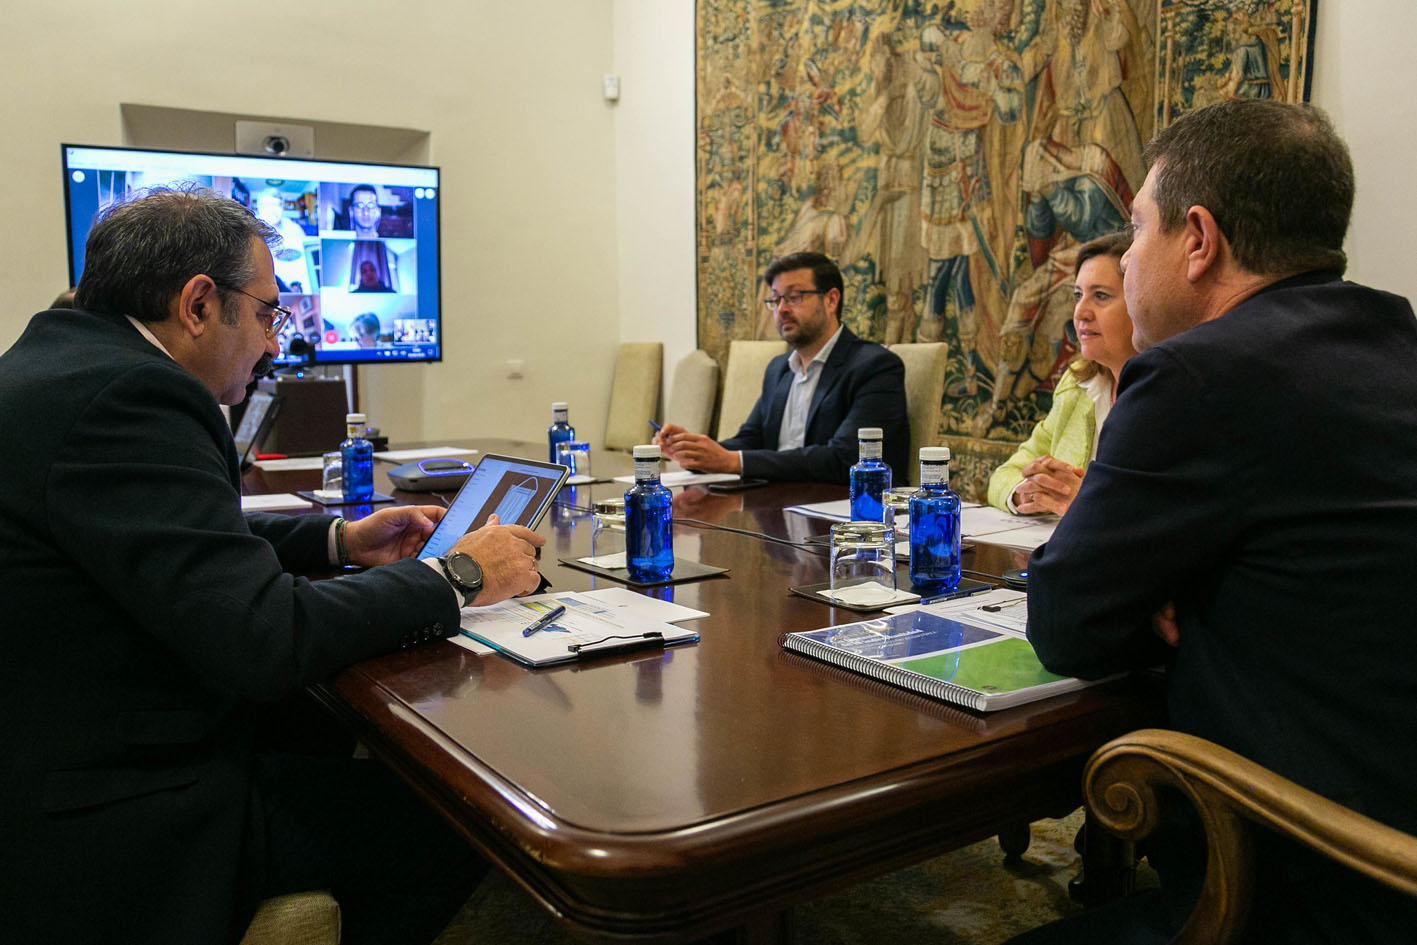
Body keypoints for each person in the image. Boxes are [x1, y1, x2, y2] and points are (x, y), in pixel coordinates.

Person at [0, 186, 547, 945]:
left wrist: (340, 543)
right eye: (267, 313)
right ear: (197, 303)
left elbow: (170, 545)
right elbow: (261, 639)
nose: (274, 342)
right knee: (454, 816)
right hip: (107, 808)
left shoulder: (66, 358)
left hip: (66, 737)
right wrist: (455, 577)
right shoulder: (131, 394)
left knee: (328, 724)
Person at [1017, 100, 1417, 944]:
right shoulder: (1395, 340)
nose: (1125, 263)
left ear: (1197, 239)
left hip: (1322, 878)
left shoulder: (1193, 377)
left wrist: (1181, 597)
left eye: (1133, 233)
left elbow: (1066, 624)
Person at [655, 251, 910, 483]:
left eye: (794, 297)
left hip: (846, 515)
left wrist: (732, 462)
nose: (782, 309)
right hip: (779, 504)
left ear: (831, 300)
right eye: (776, 300)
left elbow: (846, 459)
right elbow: (752, 440)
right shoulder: (779, 369)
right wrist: (697, 453)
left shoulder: (875, 366)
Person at [986, 232, 1136, 516]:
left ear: (1140, 302)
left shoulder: (1167, 390)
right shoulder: (1078, 383)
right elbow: (1005, 474)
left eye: (1100, 296)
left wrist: (1086, 501)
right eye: (1079, 296)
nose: (1080, 313)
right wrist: (1024, 493)